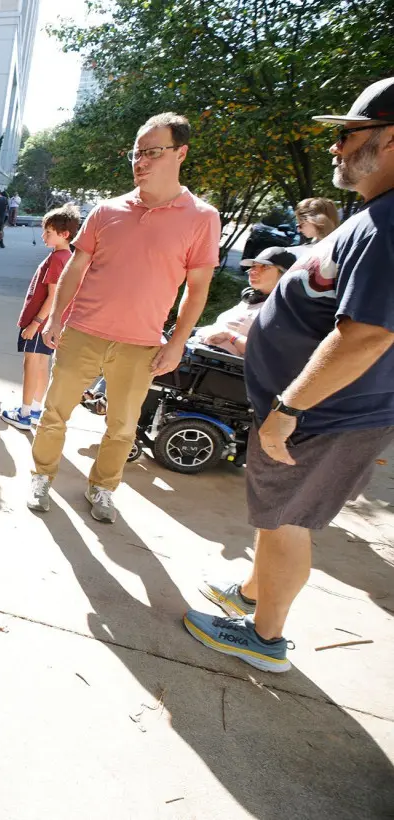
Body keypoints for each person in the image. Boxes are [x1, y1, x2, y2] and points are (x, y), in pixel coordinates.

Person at [185, 77, 394, 673]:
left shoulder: (391, 226)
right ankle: (253, 592)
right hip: (314, 410)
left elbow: (369, 333)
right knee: (276, 513)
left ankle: (264, 637)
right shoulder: (376, 213)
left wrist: (289, 410)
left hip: (325, 416)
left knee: (287, 521)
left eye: (349, 135)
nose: (335, 147)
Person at [27, 112, 221, 523]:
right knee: (54, 412)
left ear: (180, 153)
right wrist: (56, 317)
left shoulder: (202, 217)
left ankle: (102, 488)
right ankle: (41, 475)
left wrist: (177, 341)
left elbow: (197, 288)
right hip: (82, 331)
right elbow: (75, 269)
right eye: (137, 153)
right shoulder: (106, 210)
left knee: (122, 426)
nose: (141, 161)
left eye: (153, 152)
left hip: (141, 343)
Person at [1, 204, 81, 431]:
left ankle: (24, 412)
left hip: (41, 323)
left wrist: (35, 323)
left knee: (31, 365)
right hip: (51, 324)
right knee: (43, 365)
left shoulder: (57, 259)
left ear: (64, 234)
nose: (44, 235)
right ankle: (36, 409)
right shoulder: (67, 256)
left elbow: (53, 296)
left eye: (48, 232)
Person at [191, 246, 296, 356]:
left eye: (265, 267)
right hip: (195, 349)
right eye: (254, 266)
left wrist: (229, 335)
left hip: (210, 364)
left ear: (284, 275)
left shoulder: (279, 311)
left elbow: (262, 354)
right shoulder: (251, 299)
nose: (253, 271)